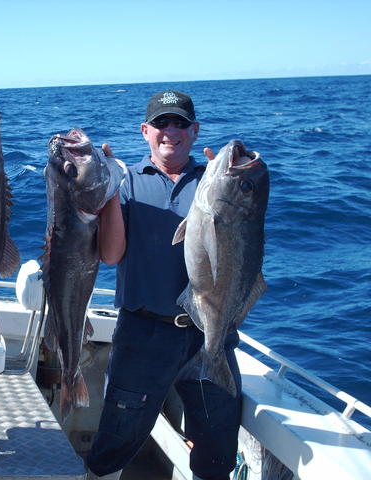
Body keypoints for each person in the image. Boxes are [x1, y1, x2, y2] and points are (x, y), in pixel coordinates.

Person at [86, 90, 241, 480]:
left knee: (218, 449)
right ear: (145, 131)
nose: (170, 131)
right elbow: (109, 255)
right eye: (161, 123)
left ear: (195, 131)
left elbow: (244, 251)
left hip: (211, 332)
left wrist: (235, 185)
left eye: (180, 123)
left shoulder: (218, 183)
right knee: (115, 441)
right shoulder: (127, 182)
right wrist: (106, 190)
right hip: (143, 333)